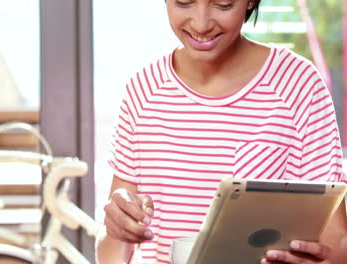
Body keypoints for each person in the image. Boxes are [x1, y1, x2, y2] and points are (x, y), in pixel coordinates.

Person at [95, 0, 347, 263]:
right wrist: (117, 228)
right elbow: (111, 253)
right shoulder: (143, 90)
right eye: (184, 2)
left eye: (223, 4)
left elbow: (337, 240)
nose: (201, 24)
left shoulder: (299, 86)